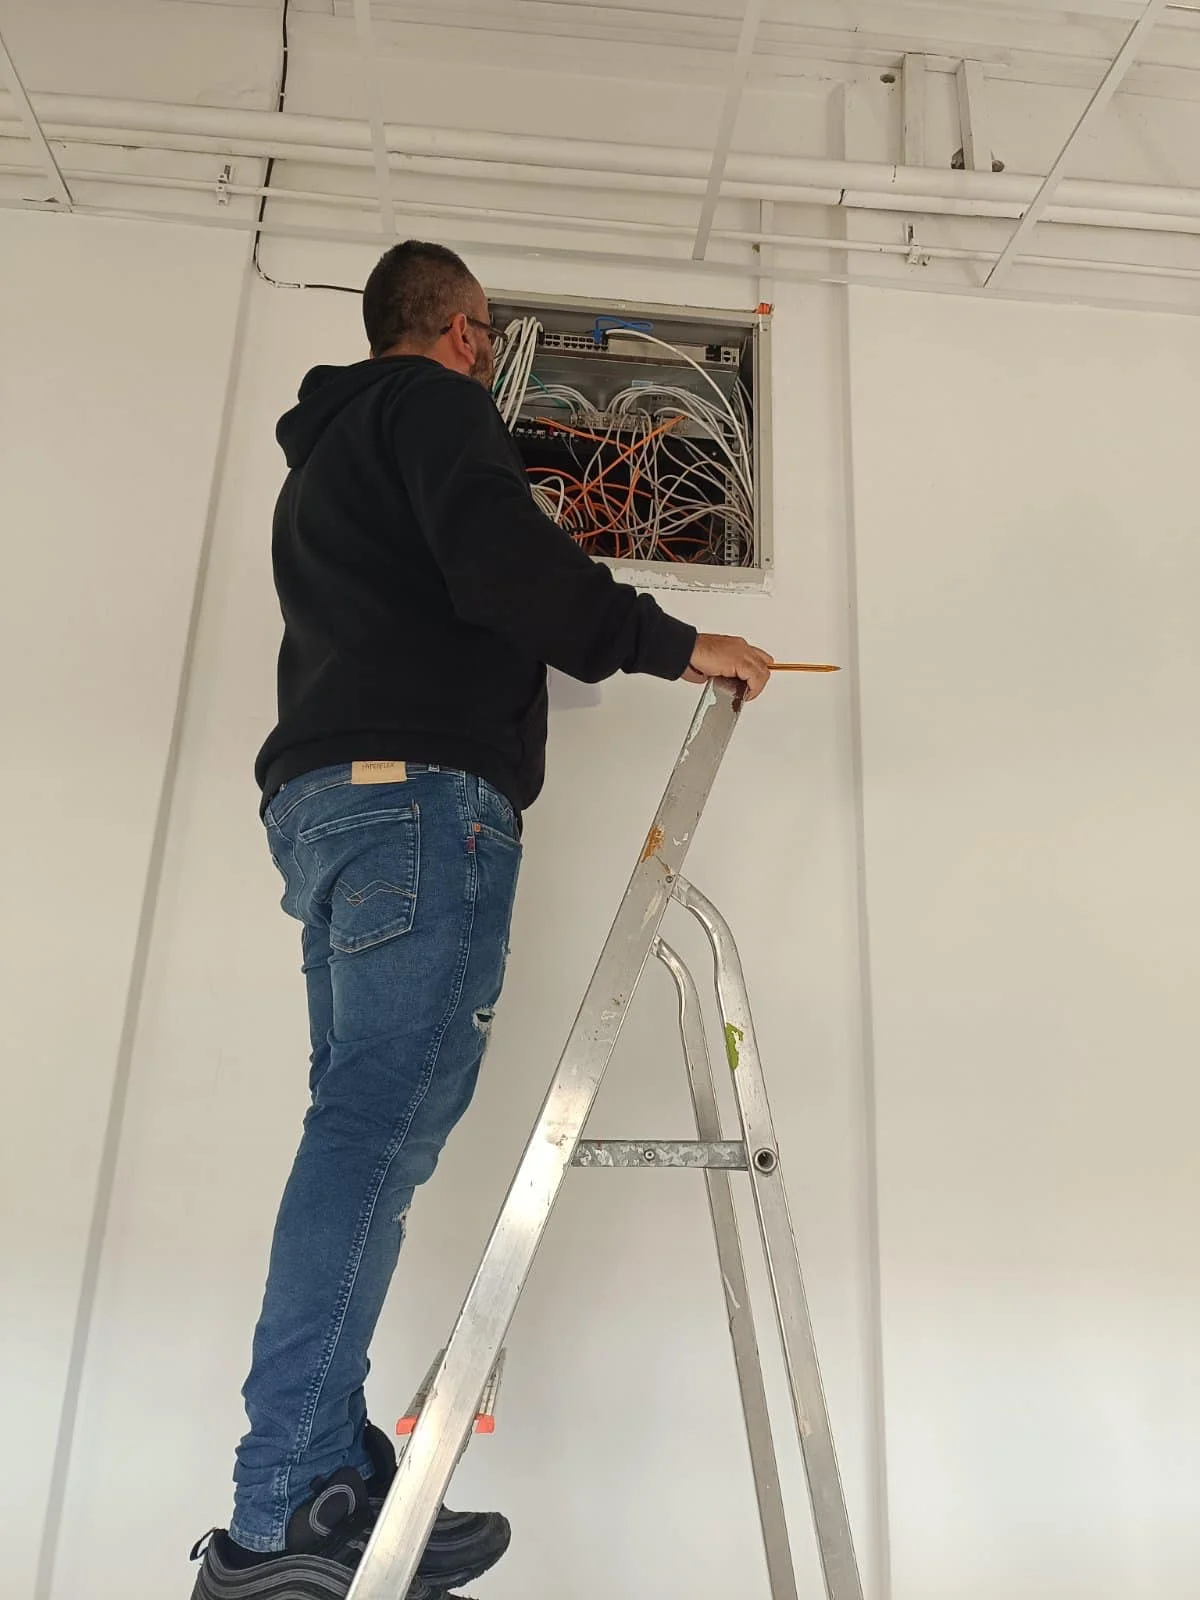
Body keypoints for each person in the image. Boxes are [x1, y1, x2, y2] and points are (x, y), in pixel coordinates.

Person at [189, 240, 773, 1600]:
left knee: (358, 1130)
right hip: (415, 806)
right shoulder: (434, 408)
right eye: (488, 336)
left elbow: (459, 576)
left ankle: (327, 1471)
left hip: (333, 809)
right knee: (370, 1138)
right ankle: (283, 1509)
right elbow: (505, 562)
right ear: (461, 330)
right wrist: (676, 644)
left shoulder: (327, 457)